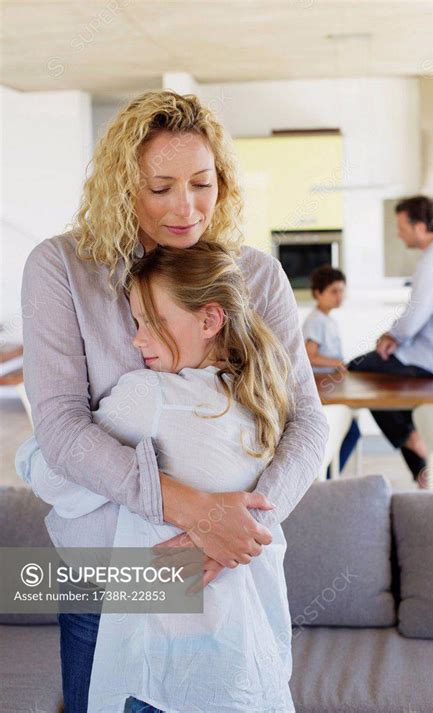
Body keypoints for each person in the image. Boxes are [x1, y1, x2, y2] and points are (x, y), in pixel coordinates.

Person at [15, 90, 329, 712]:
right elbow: (60, 427)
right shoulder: (61, 268)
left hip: (225, 582)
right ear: (121, 185)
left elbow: (307, 422)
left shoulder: (256, 276)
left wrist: (238, 532)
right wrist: (194, 511)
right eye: (160, 187)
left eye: (201, 183)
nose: (186, 209)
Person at [18, 241, 296, 712]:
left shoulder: (149, 397)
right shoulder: (261, 400)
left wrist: (34, 450)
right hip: (240, 653)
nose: (136, 340)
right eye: (136, 322)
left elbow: (53, 476)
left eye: (154, 322)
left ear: (210, 320)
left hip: (155, 658)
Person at [348, 195, 433, 486]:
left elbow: (414, 317)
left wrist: (392, 336)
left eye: (401, 226)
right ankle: (420, 467)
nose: (398, 233)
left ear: (420, 227)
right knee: (393, 390)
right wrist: (398, 337)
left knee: (359, 369)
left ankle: (412, 441)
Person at [302, 265, 360, 475]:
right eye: (334, 291)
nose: (339, 296)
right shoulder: (316, 320)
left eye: (342, 291)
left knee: (350, 430)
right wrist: (336, 364)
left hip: (329, 384)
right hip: (321, 386)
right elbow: (309, 355)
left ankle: (328, 476)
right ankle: (326, 476)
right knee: (351, 431)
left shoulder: (327, 319)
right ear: (318, 293)